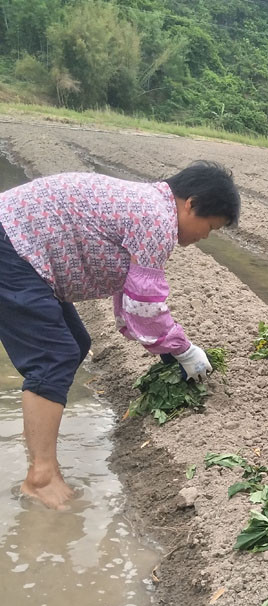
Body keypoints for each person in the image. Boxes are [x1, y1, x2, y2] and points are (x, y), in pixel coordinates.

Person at [0, 161, 241, 510]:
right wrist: (184, 350)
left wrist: (167, 350)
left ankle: (38, 447)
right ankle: (40, 476)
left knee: (76, 342)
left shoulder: (148, 205)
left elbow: (133, 298)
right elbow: (146, 305)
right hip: (13, 248)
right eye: (211, 226)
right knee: (54, 356)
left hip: (21, 248)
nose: (206, 235)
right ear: (191, 203)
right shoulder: (157, 218)